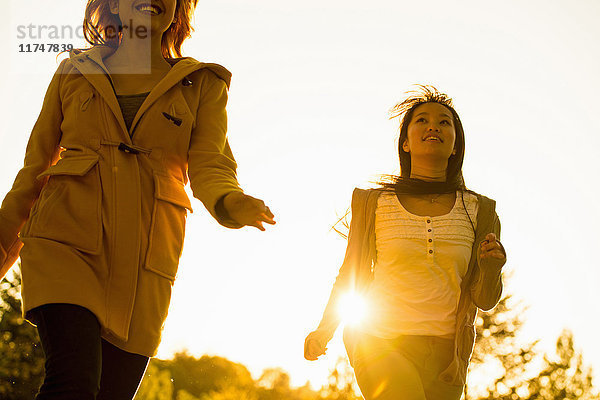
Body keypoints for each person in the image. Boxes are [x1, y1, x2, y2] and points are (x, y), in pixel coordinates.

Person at [0, 0, 275, 398]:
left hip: (145, 263)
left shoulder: (202, 84)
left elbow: (211, 164)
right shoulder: (73, 72)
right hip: (63, 243)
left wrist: (231, 201)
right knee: (72, 384)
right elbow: (32, 172)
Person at [304, 86, 506, 400]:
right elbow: (350, 274)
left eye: (444, 122)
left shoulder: (481, 210)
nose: (433, 126)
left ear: (455, 147)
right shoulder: (374, 202)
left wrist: (492, 269)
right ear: (406, 144)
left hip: (446, 359)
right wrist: (324, 328)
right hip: (378, 342)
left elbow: (485, 298)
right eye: (421, 120)